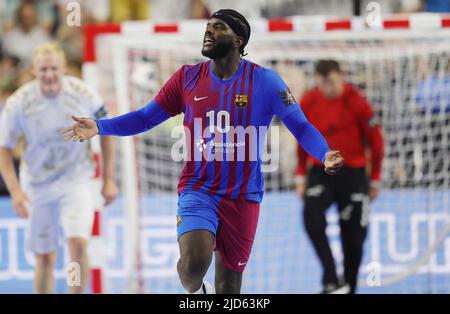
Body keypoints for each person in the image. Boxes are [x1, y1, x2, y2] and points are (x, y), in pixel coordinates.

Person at [63, 9, 343, 294]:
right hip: (199, 189)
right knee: (194, 266)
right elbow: (145, 117)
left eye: (218, 27)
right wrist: (100, 126)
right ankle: (195, 285)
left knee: (229, 288)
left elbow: (301, 126)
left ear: (238, 40)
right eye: (208, 26)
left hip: (243, 196)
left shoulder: (266, 81)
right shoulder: (187, 78)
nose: (208, 31)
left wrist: (324, 153)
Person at [0, 42, 118, 294]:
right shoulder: (19, 102)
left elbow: (107, 131)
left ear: (64, 68)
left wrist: (108, 178)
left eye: (54, 68)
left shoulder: (84, 94)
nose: (49, 74)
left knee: (77, 243)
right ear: (34, 71)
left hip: (75, 180)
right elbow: (4, 148)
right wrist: (15, 191)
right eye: (43, 70)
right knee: (45, 257)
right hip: (37, 183)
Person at [295, 60, 384, 294]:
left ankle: (348, 287)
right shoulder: (310, 100)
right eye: (323, 83)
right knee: (311, 215)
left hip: (353, 172)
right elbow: (301, 138)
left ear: (341, 77)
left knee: (354, 235)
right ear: (316, 81)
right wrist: (300, 175)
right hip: (321, 170)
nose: (328, 88)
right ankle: (331, 277)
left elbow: (376, 140)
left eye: (332, 82)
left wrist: (374, 178)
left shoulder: (356, 101)